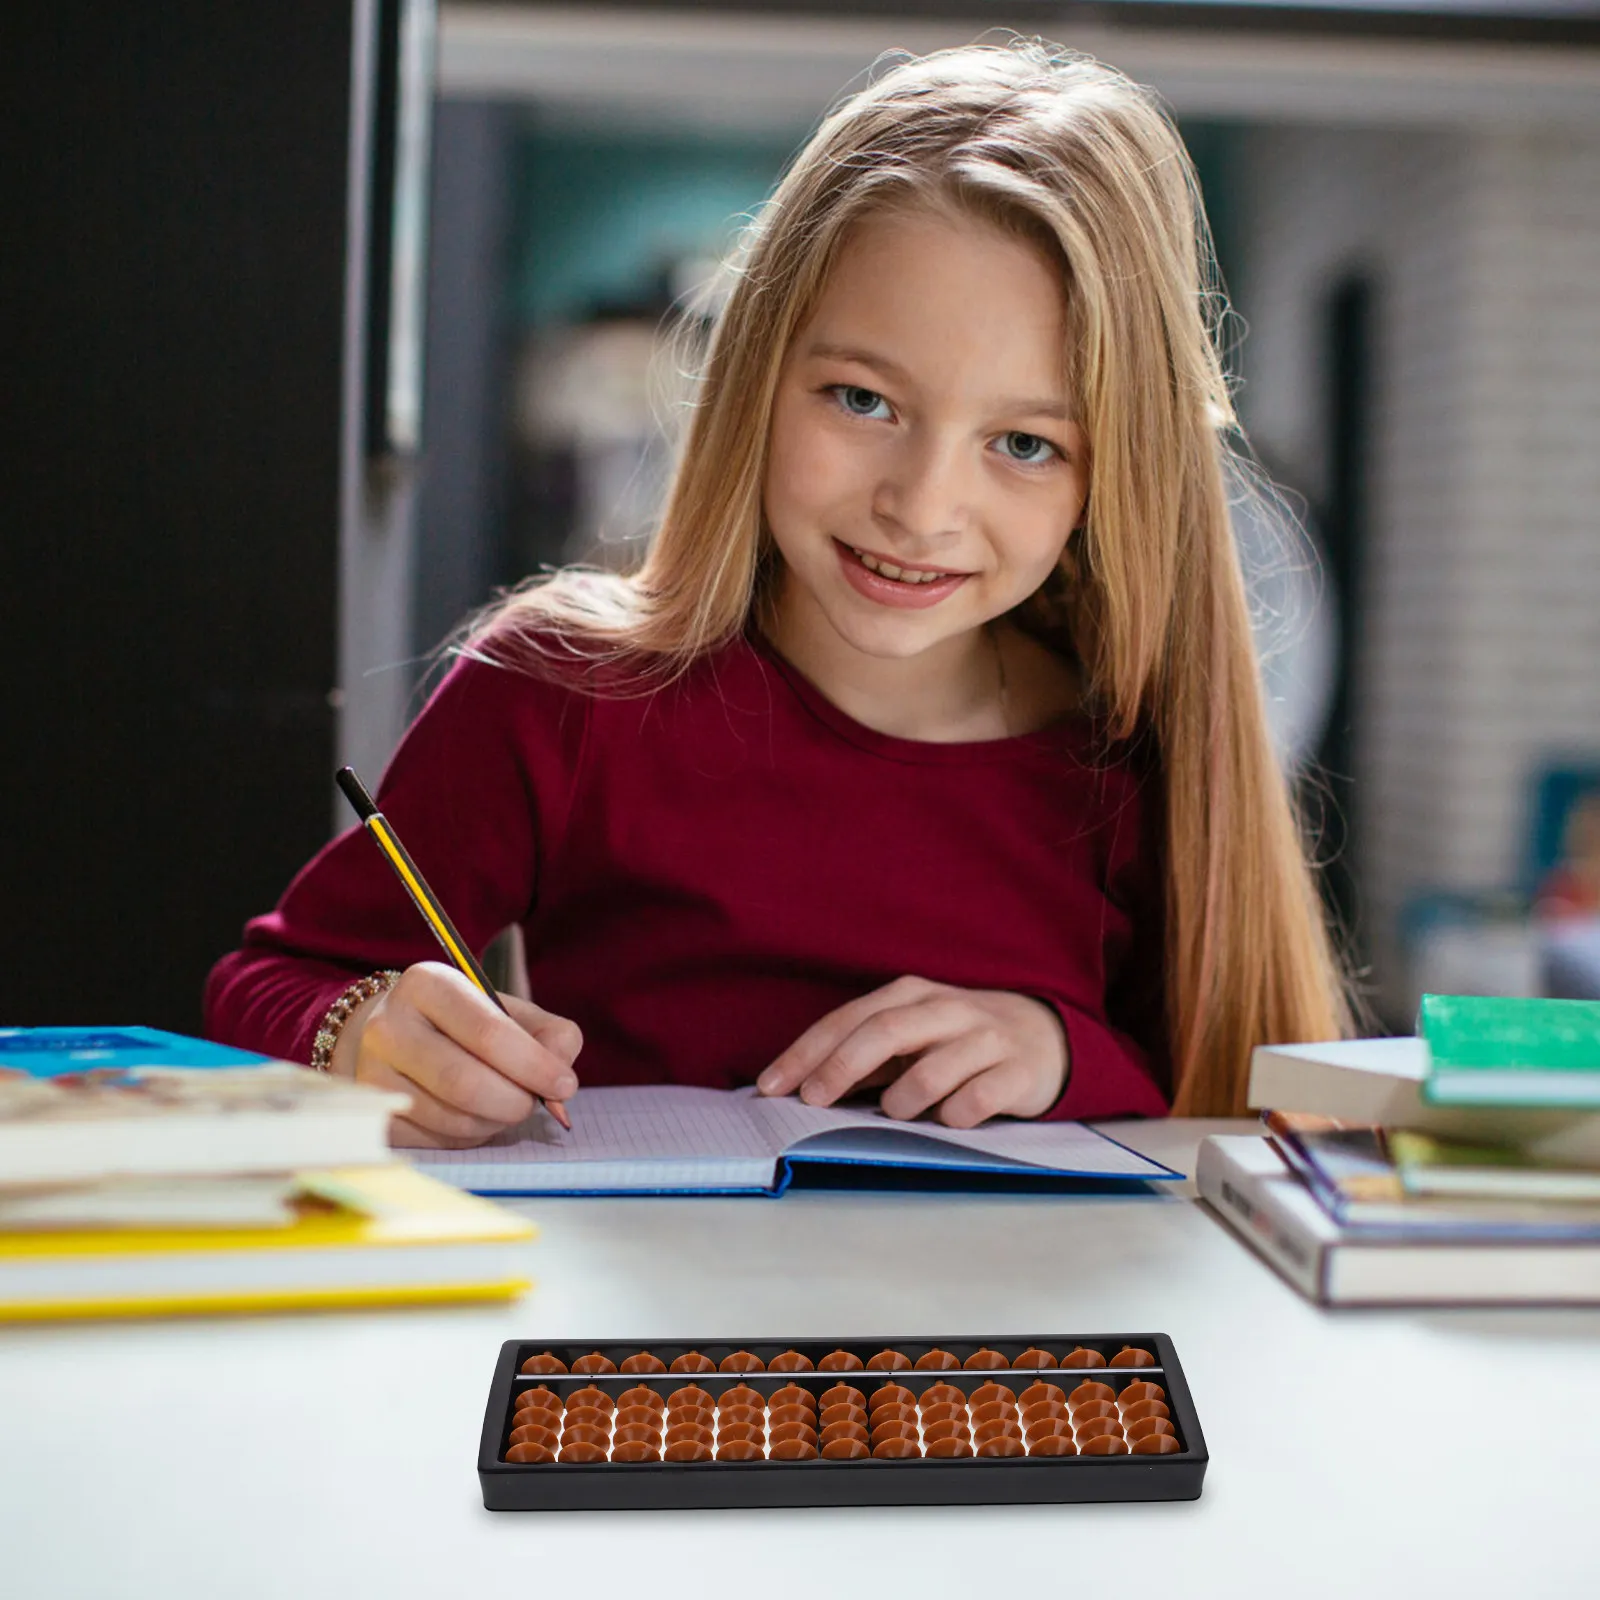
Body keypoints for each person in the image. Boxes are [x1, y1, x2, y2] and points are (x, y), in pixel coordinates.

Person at [205, 42, 1349, 1146]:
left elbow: (1234, 1102)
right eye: (861, 400)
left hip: (994, 1343)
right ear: (756, 377)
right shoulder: (555, 691)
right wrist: (359, 1033)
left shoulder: (1131, 749)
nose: (923, 505)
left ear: (1116, 476)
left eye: (1024, 442)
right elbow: (267, 983)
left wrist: (1061, 1053)